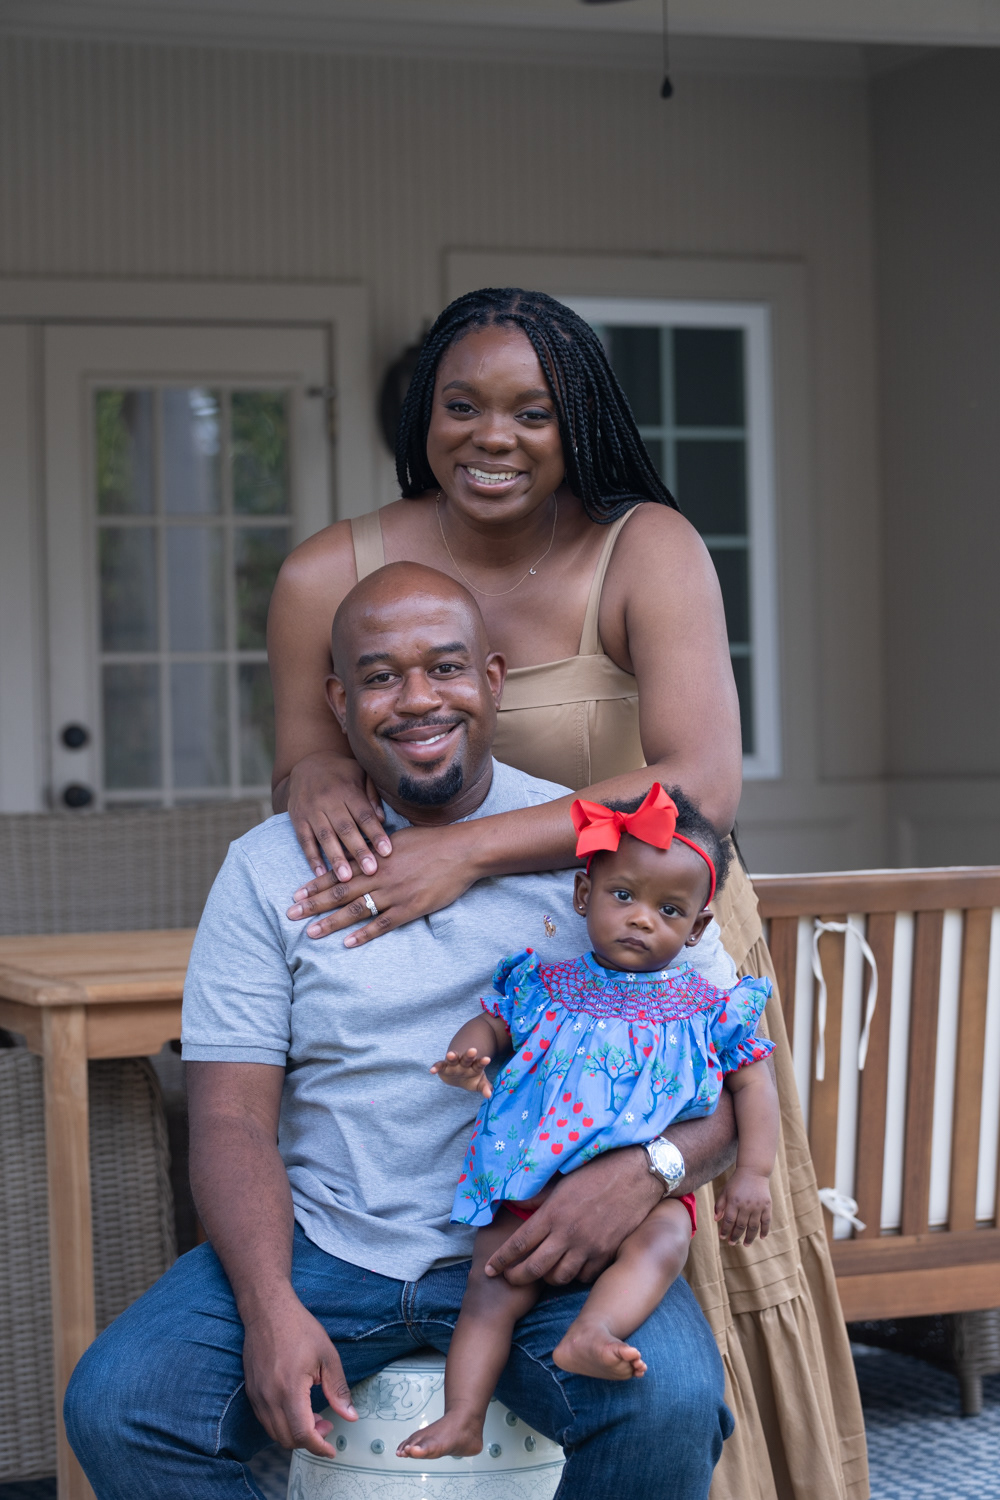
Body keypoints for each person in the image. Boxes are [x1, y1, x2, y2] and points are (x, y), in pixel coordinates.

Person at [267, 289, 868, 1499]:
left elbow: (697, 786)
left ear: (578, 420)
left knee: (676, 1265)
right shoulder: (329, 570)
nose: (492, 437)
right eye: (461, 405)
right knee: (491, 1244)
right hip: (477, 979)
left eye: (531, 412)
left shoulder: (645, 546)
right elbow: (306, 753)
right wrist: (314, 771)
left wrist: (471, 849)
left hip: (657, 956)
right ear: (421, 416)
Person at [64, 566, 736, 1500]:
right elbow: (229, 1121)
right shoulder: (265, 869)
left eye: (446, 668)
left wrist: (646, 1173)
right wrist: (269, 1304)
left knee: (672, 1404)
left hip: (542, 1247)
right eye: (380, 676)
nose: (418, 699)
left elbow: (733, 1085)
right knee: (121, 1403)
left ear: (493, 680)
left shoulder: (607, 857)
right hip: (324, 1244)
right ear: (339, 702)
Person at [398, 784, 779, 1463]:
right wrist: (467, 1055)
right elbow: (492, 1024)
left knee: (666, 1241)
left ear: (696, 929)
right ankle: (462, 1416)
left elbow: (754, 1083)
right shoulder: (546, 986)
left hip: (643, 1195)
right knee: (490, 1288)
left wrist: (753, 1172)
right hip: (531, 1173)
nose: (640, 920)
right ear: (584, 894)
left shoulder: (708, 1007)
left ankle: (593, 1330)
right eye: (622, 895)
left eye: (668, 910)